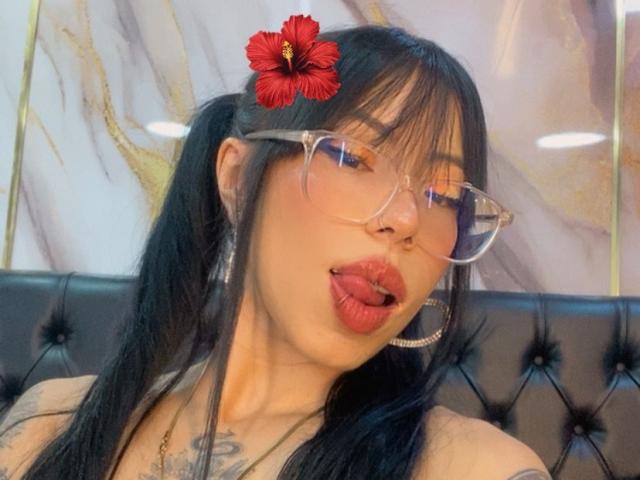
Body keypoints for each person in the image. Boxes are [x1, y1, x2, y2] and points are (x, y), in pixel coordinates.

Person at [0, 16, 551, 480]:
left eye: (443, 195)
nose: (407, 220)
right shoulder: (48, 427)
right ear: (237, 178)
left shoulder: (479, 469)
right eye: (352, 157)